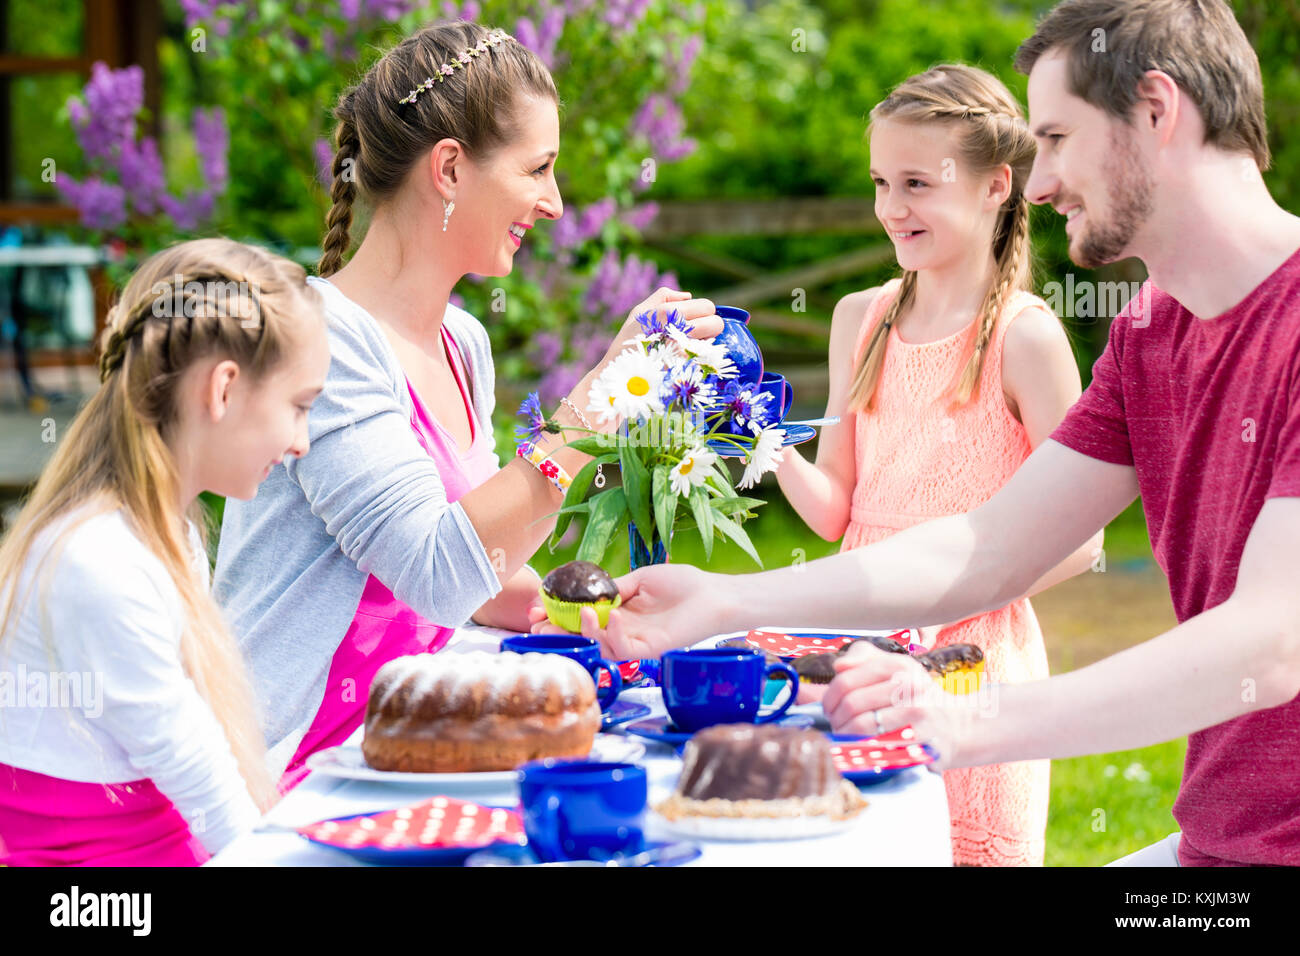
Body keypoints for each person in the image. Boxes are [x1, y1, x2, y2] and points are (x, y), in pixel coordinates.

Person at [536, 0, 1300, 867]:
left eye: (1055, 138)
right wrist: (729, 602)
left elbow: (1273, 643)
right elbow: (985, 547)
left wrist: (963, 720)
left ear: (1158, 113)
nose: (1040, 183)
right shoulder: (1150, 337)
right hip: (1224, 851)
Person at [212, 21, 718, 791]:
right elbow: (439, 574)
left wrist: (596, 609)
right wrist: (605, 399)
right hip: (285, 769)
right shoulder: (322, 341)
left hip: (408, 746)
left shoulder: (462, 340)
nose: (554, 203)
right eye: (539, 169)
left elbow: (480, 567)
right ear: (448, 168)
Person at [771, 64, 1098, 865]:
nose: (891, 208)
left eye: (917, 183)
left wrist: (934, 615)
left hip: (973, 669)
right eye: (882, 181)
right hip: (855, 650)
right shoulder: (860, 318)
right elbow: (837, 513)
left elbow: (1081, 544)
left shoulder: (1025, 338)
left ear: (995, 186)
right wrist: (763, 439)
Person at [0, 238, 329, 864]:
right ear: (224, 388)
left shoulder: (162, 535)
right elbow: (202, 782)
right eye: (299, 406)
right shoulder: (100, 564)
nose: (301, 441)